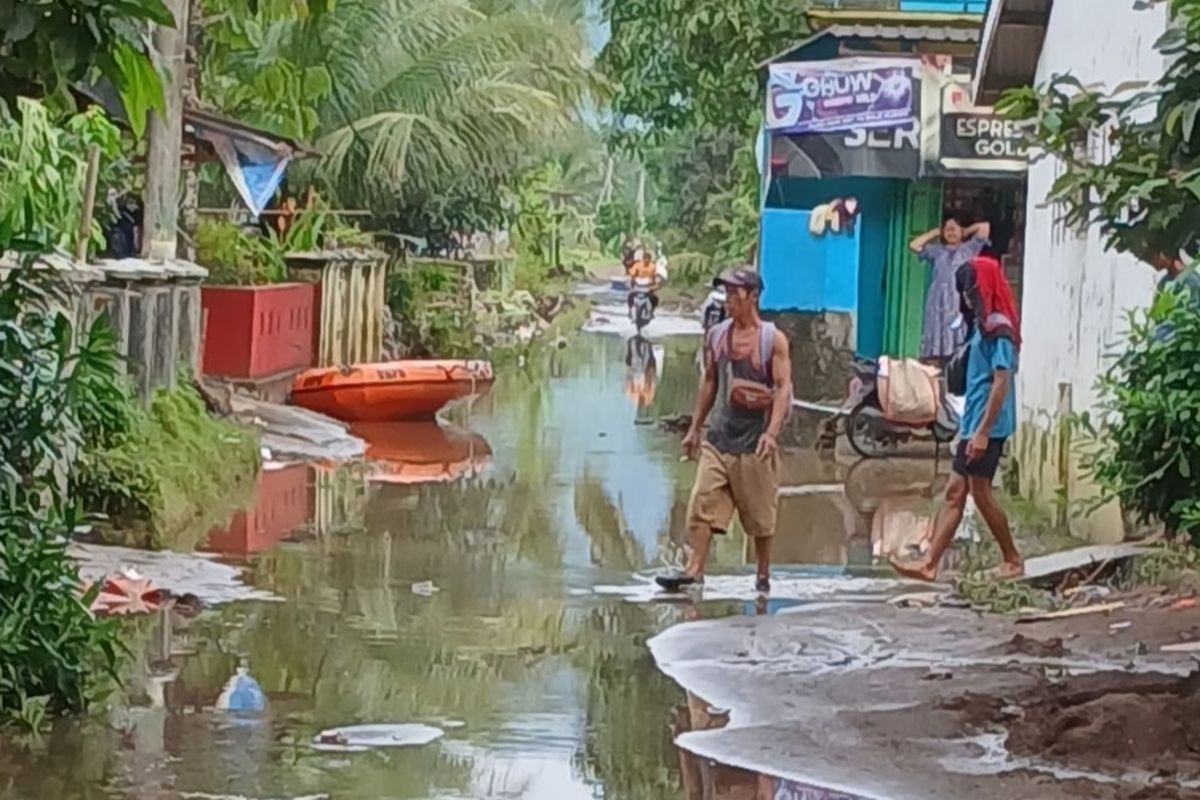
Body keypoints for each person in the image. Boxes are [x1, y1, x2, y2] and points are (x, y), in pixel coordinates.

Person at [656, 268, 792, 594]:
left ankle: (762, 573)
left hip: (755, 441)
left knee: (760, 516)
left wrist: (771, 433)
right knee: (701, 502)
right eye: (726, 293)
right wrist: (694, 428)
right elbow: (710, 381)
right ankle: (693, 570)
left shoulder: (772, 340)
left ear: (753, 296)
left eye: (735, 293)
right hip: (719, 437)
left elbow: (783, 387)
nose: (728, 300)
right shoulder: (717, 335)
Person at [891, 255, 1023, 582]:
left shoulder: (998, 329)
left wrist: (981, 432)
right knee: (956, 490)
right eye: (963, 291)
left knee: (978, 492)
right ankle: (930, 564)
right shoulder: (982, 327)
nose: (966, 297)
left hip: (987, 425)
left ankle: (1012, 558)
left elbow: (1000, 381)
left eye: (971, 289)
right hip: (974, 421)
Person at [910, 216, 992, 365]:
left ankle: (955, 368)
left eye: (954, 228)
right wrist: (934, 232)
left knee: (958, 334)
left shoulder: (969, 248)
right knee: (935, 337)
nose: (951, 232)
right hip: (937, 301)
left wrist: (967, 230)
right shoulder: (936, 250)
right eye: (947, 229)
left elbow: (985, 227)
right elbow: (914, 245)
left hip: (958, 300)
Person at [626, 246, 661, 318]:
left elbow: (656, 277)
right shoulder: (638, 265)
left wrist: (655, 285)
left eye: (648, 259)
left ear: (650, 260)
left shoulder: (653, 266)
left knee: (655, 298)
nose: (646, 260)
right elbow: (632, 275)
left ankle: (651, 312)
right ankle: (630, 310)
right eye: (645, 259)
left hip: (648, 287)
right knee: (630, 296)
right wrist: (631, 284)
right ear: (643, 259)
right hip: (638, 286)